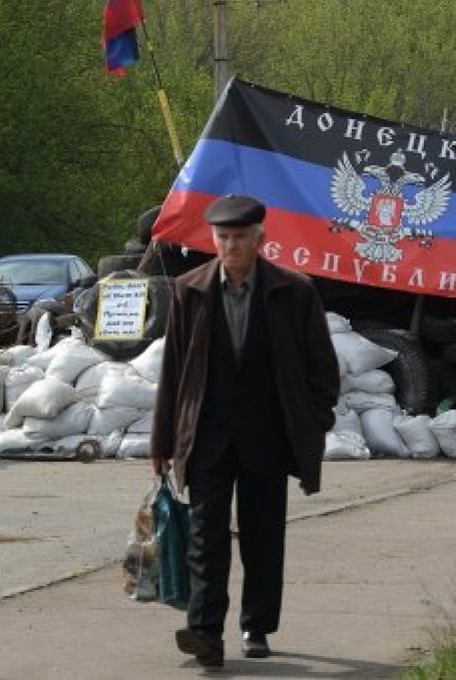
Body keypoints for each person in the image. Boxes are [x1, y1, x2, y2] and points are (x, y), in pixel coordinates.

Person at [150, 194, 340, 669]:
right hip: (209, 435)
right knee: (204, 536)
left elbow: (322, 365)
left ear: (261, 239)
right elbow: (173, 371)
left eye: (240, 238)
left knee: (262, 535)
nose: (231, 246)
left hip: (267, 435)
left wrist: (315, 419)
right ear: (213, 239)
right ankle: (205, 632)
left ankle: (257, 627)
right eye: (223, 237)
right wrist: (163, 440)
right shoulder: (190, 290)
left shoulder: (293, 291)